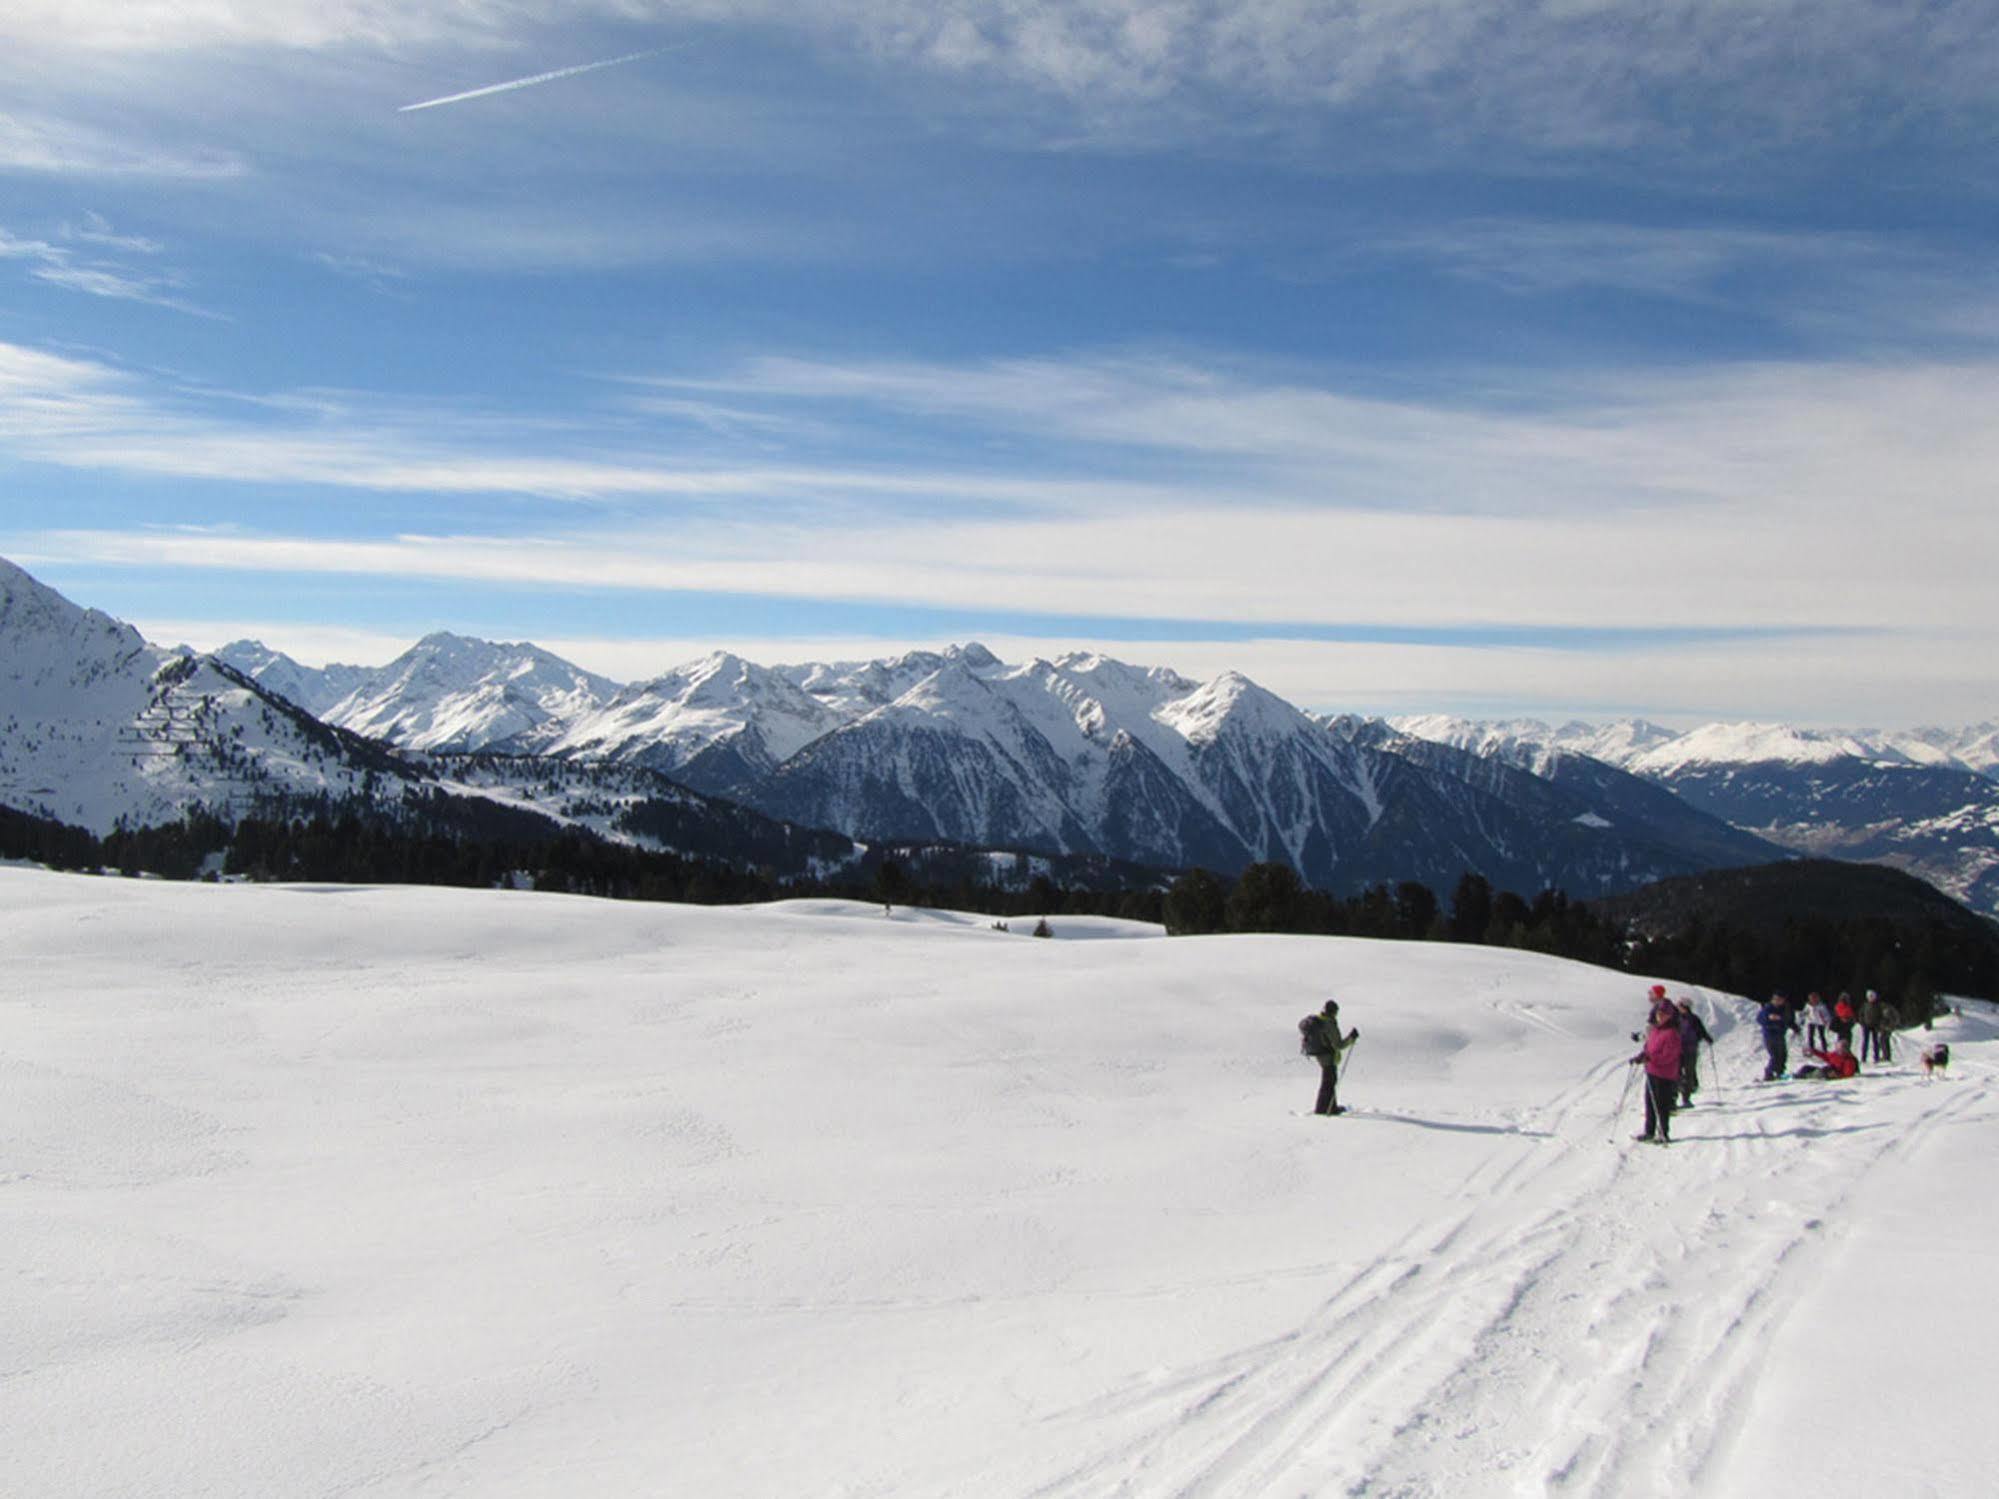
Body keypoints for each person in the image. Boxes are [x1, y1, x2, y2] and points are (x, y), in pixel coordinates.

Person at [1632, 1002, 1684, 1144]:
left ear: (1670, 1016)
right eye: (1658, 1014)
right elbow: (1648, 1047)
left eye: (1664, 1014)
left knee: (1661, 1105)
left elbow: (1669, 1056)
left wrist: (1650, 1058)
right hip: (1652, 1071)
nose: (1660, 1016)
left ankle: (1663, 1133)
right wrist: (1641, 1056)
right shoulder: (1655, 1030)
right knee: (1650, 1102)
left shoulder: (1672, 1033)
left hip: (1665, 1074)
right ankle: (1649, 1131)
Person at [1299, 1000, 1359, 1116]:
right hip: (1327, 1056)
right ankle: (1326, 1109)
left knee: (1328, 1081)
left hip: (1320, 1055)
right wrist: (1351, 1038)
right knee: (1329, 1082)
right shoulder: (1329, 1024)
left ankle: (1329, 1107)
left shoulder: (1319, 1020)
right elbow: (1339, 1045)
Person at [1675, 998, 1714, 1107]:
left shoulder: (1693, 1019)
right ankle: (1680, 1092)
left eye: (1679, 1005)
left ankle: (1686, 1098)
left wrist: (1706, 1038)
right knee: (1677, 1072)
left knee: (1689, 1073)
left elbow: (1701, 1031)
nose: (1678, 1007)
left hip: (1689, 1049)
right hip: (1679, 1049)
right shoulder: (1677, 1018)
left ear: (1684, 1006)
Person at [1757, 992, 1795, 1081]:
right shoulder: (1768, 1008)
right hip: (1770, 1035)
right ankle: (1769, 1073)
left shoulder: (1785, 1008)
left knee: (1783, 1055)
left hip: (1780, 1034)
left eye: (1780, 1000)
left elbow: (1788, 1020)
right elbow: (1760, 1018)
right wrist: (1769, 1017)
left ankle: (1780, 1072)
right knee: (1775, 1056)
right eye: (1776, 999)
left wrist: (1794, 1026)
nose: (1778, 1001)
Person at [1795, 1035, 1859, 1080]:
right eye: (1838, 1048)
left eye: (1841, 1049)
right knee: (1806, 1067)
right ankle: (1798, 1074)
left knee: (1820, 1072)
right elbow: (1825, 1055)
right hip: (1827, 1070)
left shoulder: (1849, 1060)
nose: (1839, 1051)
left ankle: (1803, 1076)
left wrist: (1837, 1075)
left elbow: (1848, 1075)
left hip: (1832, 1075)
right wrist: (1813, 1051)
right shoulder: (1834, 1055)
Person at [1859, 989, 1885, 1063]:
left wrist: (1880, 1023)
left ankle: (1876, 1057)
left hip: (1875, 1026)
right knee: (1865, 1042)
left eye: (1872, 996)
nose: (1871, 998)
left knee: (1876, 1042)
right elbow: (1861, 1014)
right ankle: (1863, 1057)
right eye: (1870, 996)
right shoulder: (1865, 1005)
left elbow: (1881, 1015)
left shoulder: (1878, 1005)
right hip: (1866, 1025)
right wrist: (1862, 1022)